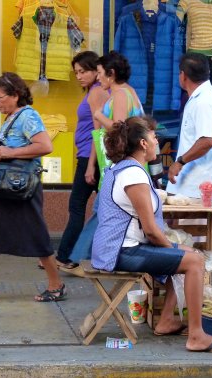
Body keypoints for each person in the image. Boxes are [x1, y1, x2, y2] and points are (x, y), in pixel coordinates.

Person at [92, 116, 212, 353]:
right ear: (143, 144)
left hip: (116, 248)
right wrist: (174, 250)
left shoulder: (125, 168)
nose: (157, 140)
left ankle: (167, 319)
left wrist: (176, 250)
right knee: (193, 261)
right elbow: (150, 230)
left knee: (185, 254)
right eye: (152, 136)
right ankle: (197, 336)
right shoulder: (133, 175)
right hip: (121, 251)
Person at [0, 72, 68, 303]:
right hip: (4, 187)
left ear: (16, 95)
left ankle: (56, 284)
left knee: (36, 233)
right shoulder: (12, 117)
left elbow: (45, 145)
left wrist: (11, 152)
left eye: (0, 98)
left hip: (22, 188)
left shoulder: (27, 116)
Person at [65, 50, 145, 266]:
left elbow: (120, 129)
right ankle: (80, 256)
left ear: (111, 73)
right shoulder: (128, 92)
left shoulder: (119, 94)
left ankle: (77, 256)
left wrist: (99, 116)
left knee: (103, 210)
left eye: (99, 73)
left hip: (120, 163)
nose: (98, 78)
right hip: (125, 162)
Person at [53, 51, 110, 270]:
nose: (78, 76)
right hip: (88, 155)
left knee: (77, 206)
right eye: (76, 72)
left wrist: (92, 165)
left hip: (90, 156)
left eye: (83, 71)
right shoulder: (94, 91)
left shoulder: (96, 93)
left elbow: (99, 130)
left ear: (97, 71)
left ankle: (66, 256)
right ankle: (72, 254)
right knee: (96, 207)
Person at [167, 52, 212, 200]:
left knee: (190, 224)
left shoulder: (205, 101)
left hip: (201, 185)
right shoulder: (201, 97)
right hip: (193, 183)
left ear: (183, 75)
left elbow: (207, 141)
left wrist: (179, 162)